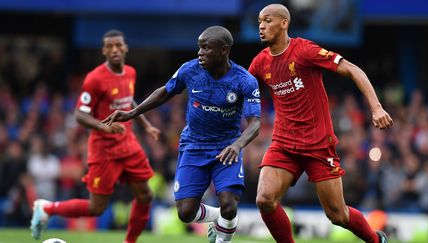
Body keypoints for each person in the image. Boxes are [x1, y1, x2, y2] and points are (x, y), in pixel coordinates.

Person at [248, 4, 393, 243]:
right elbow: (239, 89)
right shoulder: (260, 62)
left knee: (338, 215)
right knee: (264, 199)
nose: (261, 26)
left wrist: (376, 107)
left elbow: (352, 69)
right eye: (259, 22)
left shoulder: (304, 50)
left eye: (267, 20)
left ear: (284, 23)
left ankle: (377, 241)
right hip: (283, 144)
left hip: (317, 145)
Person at [103, 26, 261, 243]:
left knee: (229, 203)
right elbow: (165, 92)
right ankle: (218, 218)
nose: (200, 53)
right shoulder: (190, 70)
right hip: (194, 146)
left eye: (206, 48)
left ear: (224, 50)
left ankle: (224, 232)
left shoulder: (244, 80)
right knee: (185, 213)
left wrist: (237, 145)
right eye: (199, 47)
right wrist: (133, 112)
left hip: (226, 148)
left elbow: (255, 124)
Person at [30, 29, 161, 243]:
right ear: (104, 50)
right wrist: (104, 127)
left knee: (146, 195)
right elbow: (79, 114)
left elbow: (128, 102)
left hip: (128, 144)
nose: (115, 50)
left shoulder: (130, 72)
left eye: (118, 45)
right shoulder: (95, 78)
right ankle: (47, 207)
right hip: (104, 148)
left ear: (125, 47)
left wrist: (146, 125)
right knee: (96, 208)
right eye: (109, 46)